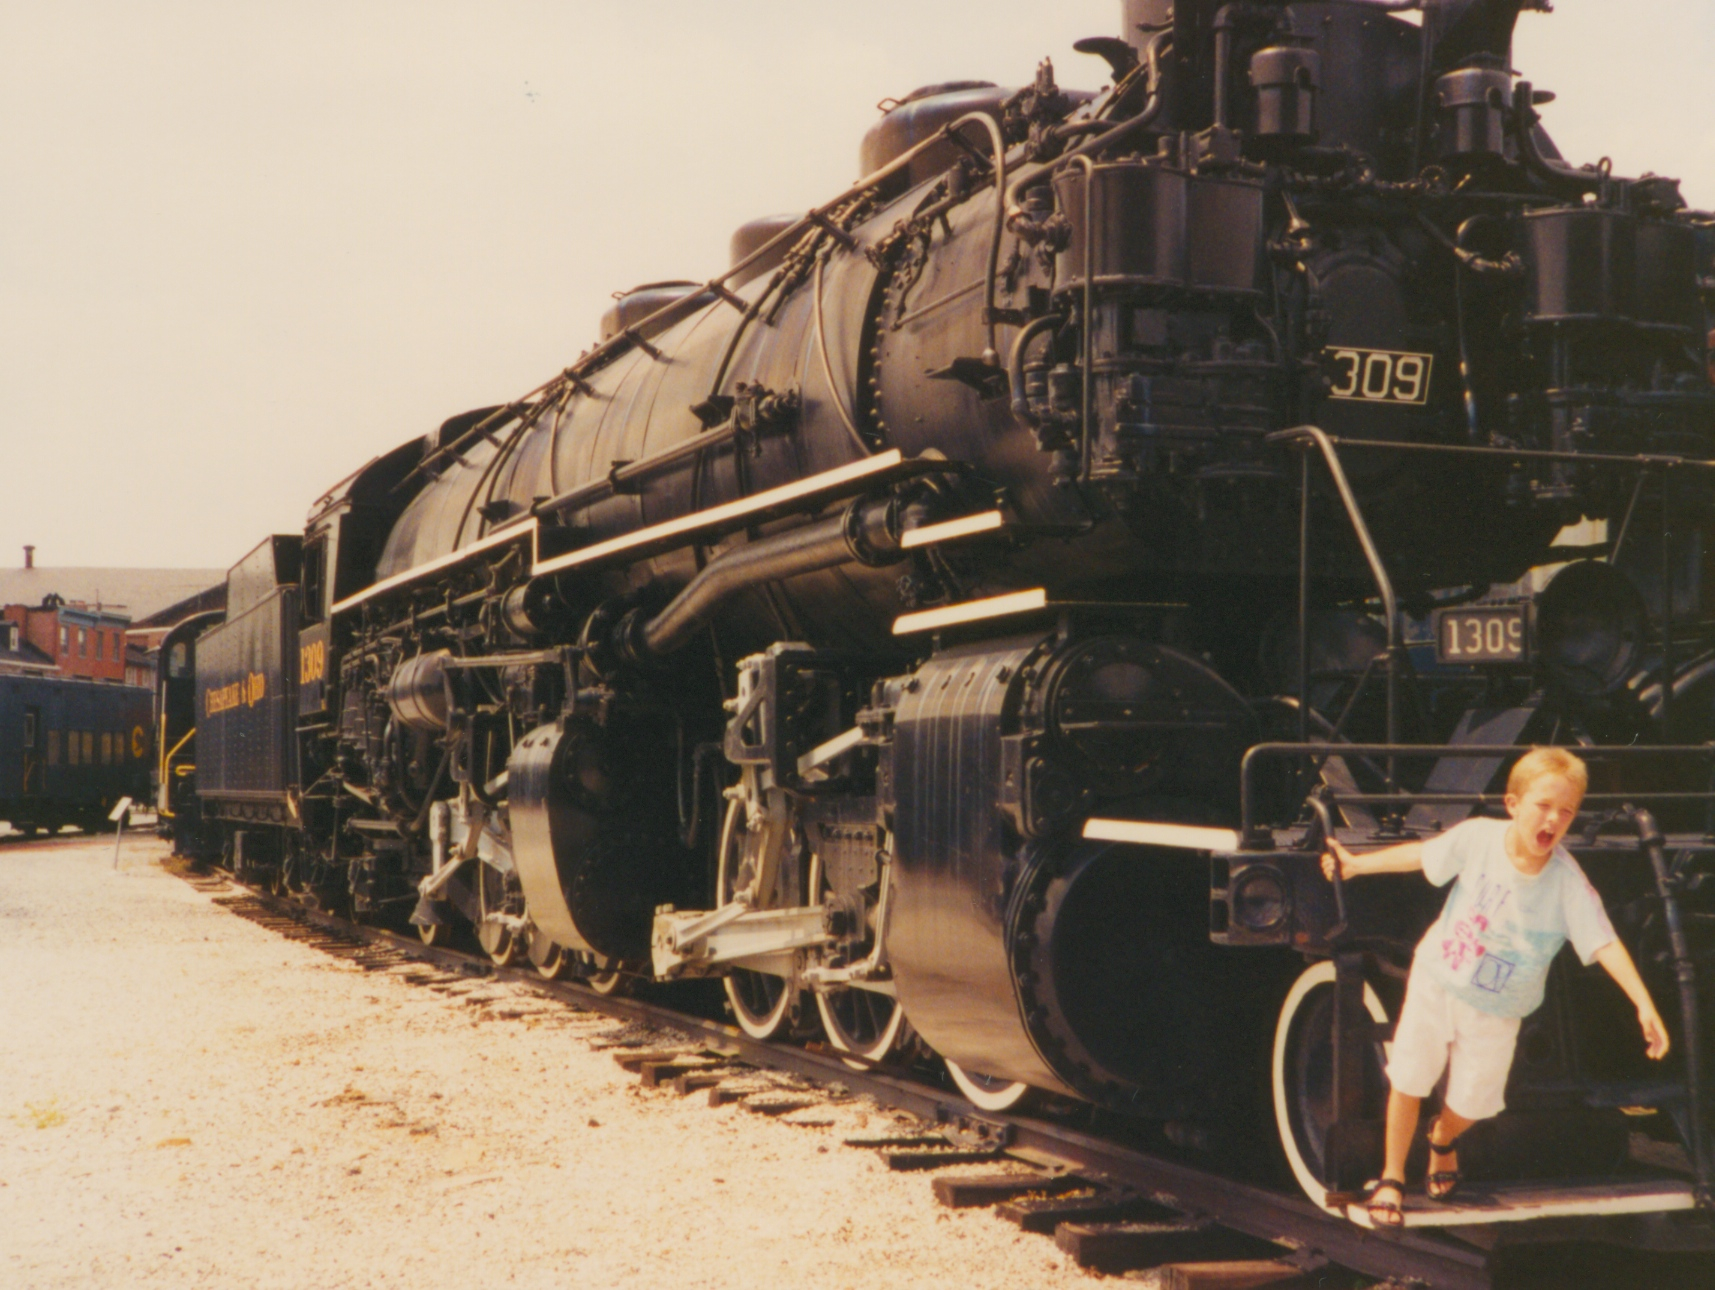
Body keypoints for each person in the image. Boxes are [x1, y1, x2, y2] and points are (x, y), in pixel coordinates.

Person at [1321, 746, 1671, 1228]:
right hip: (1438, 978)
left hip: (1500, 1006)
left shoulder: (1567, 881)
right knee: (1408, 1078)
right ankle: (1393, 1176)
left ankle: (1442, 1137)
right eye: (1543, 806)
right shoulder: (1478, 838)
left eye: (1566, 811)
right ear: (1513, 804)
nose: (1553, 819)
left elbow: (1604, 941)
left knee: (1475, 1104)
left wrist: (1643, 1003)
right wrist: (1357, 865)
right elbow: (1422, 855)